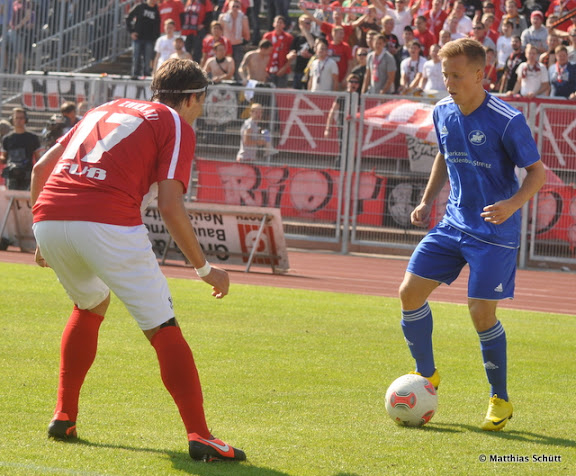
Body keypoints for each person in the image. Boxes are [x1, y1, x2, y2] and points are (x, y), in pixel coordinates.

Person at [30, 58, 246, 463]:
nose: (201, 108)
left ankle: (64, 415)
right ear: (194, 97)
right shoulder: (175, 121)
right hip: (106, 223)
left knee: (91, 304)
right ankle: (201, 436)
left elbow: (43, 166)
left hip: (49, 217)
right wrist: (204, 268)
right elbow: (170, 205)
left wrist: (43, 234)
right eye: (202, 100)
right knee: (162, 326)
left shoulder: (104, 108)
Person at [398, 38, 545, 433]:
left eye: (457, 76)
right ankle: (427, 375)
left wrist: (512, 205)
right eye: (445, 74)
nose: (448, 83)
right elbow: (445, 154)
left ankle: (500, 399)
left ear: (481, 75)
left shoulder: (507, 119)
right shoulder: (443, 111)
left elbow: (537, 173)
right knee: (409, 293)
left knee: (481, 315)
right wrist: (428, 200)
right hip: (452, 223)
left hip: (494, 231)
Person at [0, 108, 42, 190]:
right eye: (16, 118)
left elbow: (38, 159)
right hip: (12, 176)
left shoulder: (33, 138)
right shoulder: (7, 139)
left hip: (27, 175)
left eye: (21, 118)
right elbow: (4, 158)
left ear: (25, 119)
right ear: (12, 120)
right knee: (11, 200)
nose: (19, 120)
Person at [126, 0, 161, 78]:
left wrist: (156, 38)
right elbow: (128, 18)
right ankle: (135, 75)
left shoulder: (157, 10)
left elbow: (158, 25)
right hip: (138, 38)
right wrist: (131, 32)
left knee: (148, 60)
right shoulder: (140, 6)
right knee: (136, 58)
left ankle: (146, 76)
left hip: (150, 39)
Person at [262, 15, 295, 87]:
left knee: (280, 94)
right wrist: (263, 69)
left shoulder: (288, 37)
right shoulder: (267, 36)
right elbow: (262, 53)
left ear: (284, 25)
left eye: (281, 22)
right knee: (267, 93)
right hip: (268, 69)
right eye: (277, 22)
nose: (278, 24)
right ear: (273, 24)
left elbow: (291, 54)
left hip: (282, 69)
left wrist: (285, 68)